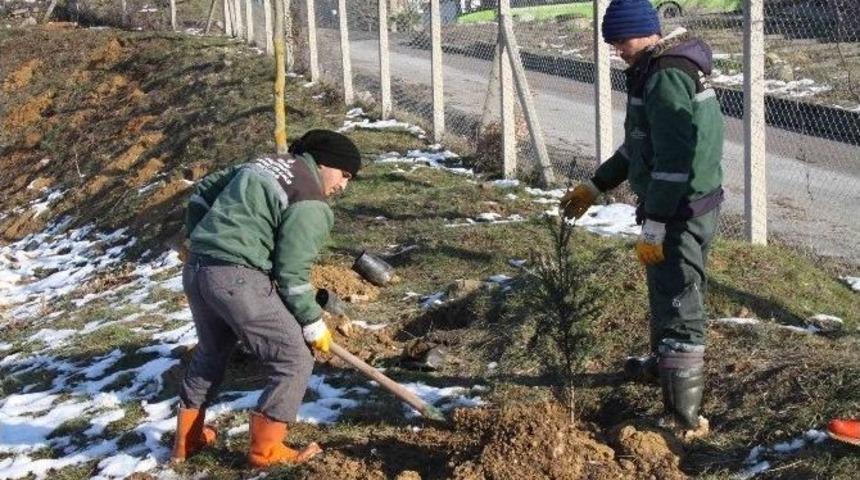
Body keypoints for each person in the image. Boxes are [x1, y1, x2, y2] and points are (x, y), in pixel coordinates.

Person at [560, 0, 724, 436]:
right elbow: (640, 145)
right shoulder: (651, 69)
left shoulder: (667, 75)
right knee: (664, 286)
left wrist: (656, 219)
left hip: (681, 210)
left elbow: (674, 160)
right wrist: (597, 185)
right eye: (611, 43)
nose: (617, 50)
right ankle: (663, 367)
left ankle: (682, 419)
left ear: (647, 33)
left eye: (621, 40)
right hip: (670, 207)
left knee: (680, 300)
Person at [170, 129, 361, 466]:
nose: (344, 186)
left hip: (198, 270)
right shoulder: (310, 200)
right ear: (323, 163)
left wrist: (201, 237)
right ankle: (266, 452)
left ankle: (187, 442)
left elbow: (203, 193)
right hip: (237, 279)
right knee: (294, 358)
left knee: (212, 351)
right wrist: (312, 322)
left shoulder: (264, 164)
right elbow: (292, 275)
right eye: (344, 175)